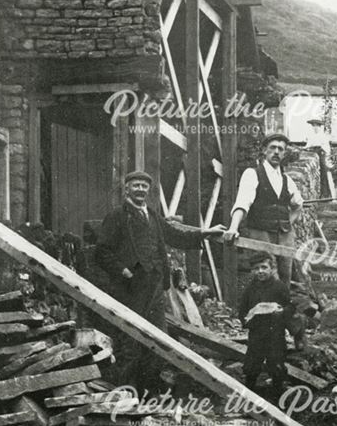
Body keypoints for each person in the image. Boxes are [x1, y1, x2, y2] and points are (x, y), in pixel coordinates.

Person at [94, 170, 225, 391]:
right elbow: (102, 251)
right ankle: (126, 394)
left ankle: (148, 393)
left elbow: (176, 235)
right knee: (130, 341)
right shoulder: (118, 216)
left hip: (155, 287)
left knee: (158, 340)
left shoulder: (153, 216)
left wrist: (205, 233)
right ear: (127, 189)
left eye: (144, 186)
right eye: (135, 185)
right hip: (130, 288)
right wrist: (123, 271)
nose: (140, 190)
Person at [224, 133, 303, 285]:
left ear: (284, 153)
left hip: (285, 236)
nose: (276, 152)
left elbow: (298, 205)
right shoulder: (252, 174)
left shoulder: (288, 180)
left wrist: (288, 223)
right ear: (264, 150)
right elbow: (242, 202)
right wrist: (233, 228)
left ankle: (283, 308)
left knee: (285, 276)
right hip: (261, 233)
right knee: (266, 277)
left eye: (280, 149)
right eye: (272, 148)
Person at [238, 249, 294, 400]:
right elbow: (242, 309)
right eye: (256, 269)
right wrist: (247, 319)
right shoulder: (250, 289)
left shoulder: (279, 287)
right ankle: (248, 396)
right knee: (252, 365)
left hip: (275, 333)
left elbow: (290, 307)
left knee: (276, 364)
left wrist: (282, 311)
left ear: (272, 269)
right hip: (256, 333)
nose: (260, 271)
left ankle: (277, 398)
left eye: (264, 267)